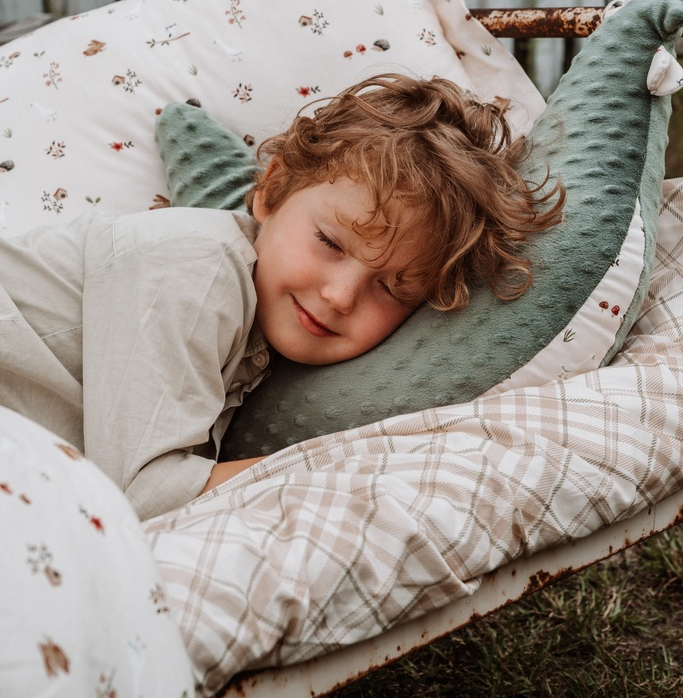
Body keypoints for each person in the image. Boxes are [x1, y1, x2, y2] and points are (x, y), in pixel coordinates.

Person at [0, 73, 564, 519]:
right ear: (269, 192)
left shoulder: (257, 343)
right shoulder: (198, 265)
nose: (342, 296)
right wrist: (343, 468)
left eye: (394, 288)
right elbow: (144, 495)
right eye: (330, 241)